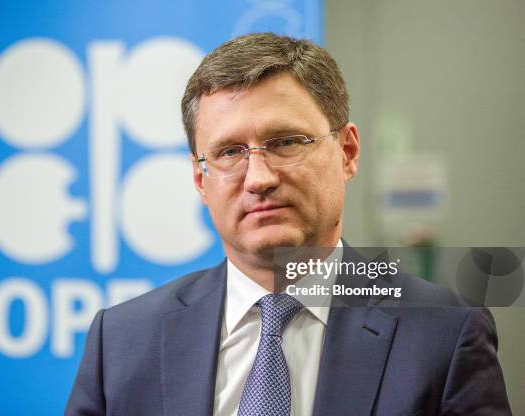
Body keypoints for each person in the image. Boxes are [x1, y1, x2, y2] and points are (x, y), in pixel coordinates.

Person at [65, 33, 511, 415]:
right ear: (200, 178)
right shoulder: (122, 342)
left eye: (286, 142)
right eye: (229, 152)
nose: (259, 179)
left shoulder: (445, 333)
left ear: (348, 152)